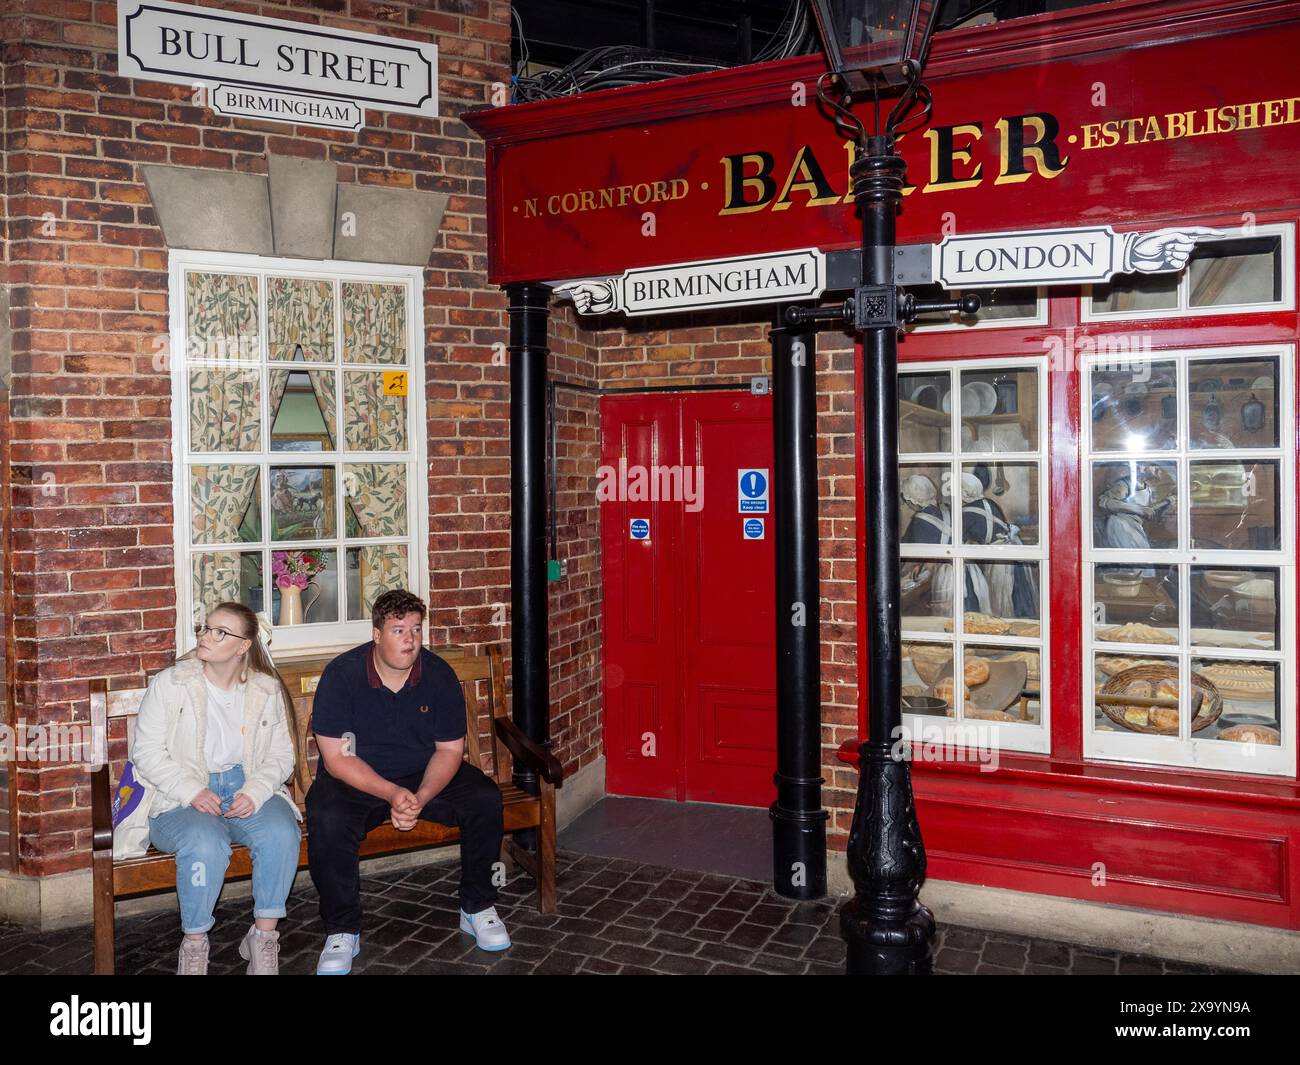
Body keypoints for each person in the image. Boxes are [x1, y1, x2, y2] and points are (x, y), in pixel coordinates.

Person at [306, 589, 508, 975]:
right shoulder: (342, 675)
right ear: (377, 634)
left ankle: (477, 906)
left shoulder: (438, 674)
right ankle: (343, 928)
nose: (411, 640)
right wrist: (393, 793)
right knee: (327, 815)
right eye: (399, 630)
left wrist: (419, 796)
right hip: (357, 775)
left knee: (484, 799)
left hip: (422, 772)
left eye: (416, 629)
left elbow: (449, 751)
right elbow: (335, 759)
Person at [128, 602, 302, 975]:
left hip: (245, 785)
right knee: (205, 844)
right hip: (179, 795)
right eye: (205, 628)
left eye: (220, 632)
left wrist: (255, 791)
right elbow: (145, 751)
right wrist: (191, 789)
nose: (206, 637)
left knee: (281, 833)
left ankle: (263, 937)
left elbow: (281, 755)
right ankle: (194, 945)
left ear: (243, 646)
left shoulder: (265, 689)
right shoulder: (173, 683)